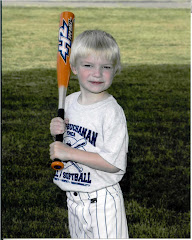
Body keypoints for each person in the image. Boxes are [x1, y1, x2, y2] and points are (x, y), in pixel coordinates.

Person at [49, 30, 129, 238]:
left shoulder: (111, 112)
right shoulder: (68, 103)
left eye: (106, 67)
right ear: (73, 68)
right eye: (88, 65)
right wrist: (57, 131)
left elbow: (114, 163)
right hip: (73, 200)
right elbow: (69, 141)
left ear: (115, 70)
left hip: (102, 200)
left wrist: (68, 153)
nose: (97, 73)